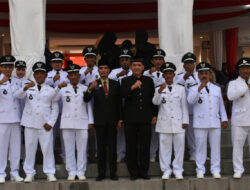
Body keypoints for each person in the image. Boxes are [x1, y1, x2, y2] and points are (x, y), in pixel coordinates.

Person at [15, 62, 59, 182]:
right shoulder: (28, 88)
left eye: (42, 73)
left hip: (45, 125)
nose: (39, 76)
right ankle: (29, 173)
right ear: (34, 75)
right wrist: (25, 87)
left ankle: (50, 172)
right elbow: (17, 96)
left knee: (48, 149)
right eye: (37, 73)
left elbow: (55, 108)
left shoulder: (50, 90)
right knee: (29, 149)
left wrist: (51, 123)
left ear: (45, 75)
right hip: (30, 123)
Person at [187, 62, 228, 179]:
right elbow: (190, 101)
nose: (204, 76)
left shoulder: (216, 88)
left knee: (215, 148)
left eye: (206, 73)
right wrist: (199, 88)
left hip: (214, 122)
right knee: (200, 147)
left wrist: (224, 119)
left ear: (210, 75)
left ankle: (216, 169)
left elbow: (220, 105)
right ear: (198, 75)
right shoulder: (194, 88)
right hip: (200, 123)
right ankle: (200, 169)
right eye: (201, 74)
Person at [84, 59, 122, 181]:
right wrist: (90, 89)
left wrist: (120, 119)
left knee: (112, 148)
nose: (103, 71)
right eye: (101, 68)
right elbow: (85, 99)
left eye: (105, 68)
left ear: (109, 70)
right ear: (98, 71)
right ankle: (101, 173)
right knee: (100, 149)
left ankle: (112, 173)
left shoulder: (115, 84)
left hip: (112, 121)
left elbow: (119, 103)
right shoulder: (94, 84)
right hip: (99, 121)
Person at [56, 64, 94, 181]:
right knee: (69, 148)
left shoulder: (85, 88)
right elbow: (52, 99)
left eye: (75, 74)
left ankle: (81, 171)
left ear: (78, 75)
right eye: (71, 75)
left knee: (82, 149)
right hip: (67, 122)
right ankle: (71, 171)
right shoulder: (63, 89)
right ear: (68, 76)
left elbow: (89, 106)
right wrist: (57, 87)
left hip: (82, 122)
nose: (73, 77)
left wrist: (91, 121)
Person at [121, 59, 157, 180]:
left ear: (143, 67)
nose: (136, 67)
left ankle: (144, 171)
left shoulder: (148, 80)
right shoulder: (125, 80)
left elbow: (152, 99)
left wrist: (154, 115)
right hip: (130, 118)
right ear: (131, 67)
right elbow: (122, 95)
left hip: (145, 118)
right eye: (134, 65)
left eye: (139, 65)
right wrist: (132, 87)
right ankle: (133, 172)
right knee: (131, 146)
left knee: (145, 146)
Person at [153, 62, 188, 180]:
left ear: (174, 75)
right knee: (164, 148)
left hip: (178, 122)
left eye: (170, 73)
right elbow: (155, 102)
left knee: (179, 148)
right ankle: (166, 170)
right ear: (163, 76)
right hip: (164, 122)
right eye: (166, 74)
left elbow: (184, 106)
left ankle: (178, 170)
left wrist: (185, 120)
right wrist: (159, 92)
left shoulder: (181, 89)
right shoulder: (159, 88)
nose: (168, 76)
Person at [0, 55, 23, 183]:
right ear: (1, 68)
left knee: (15, 147)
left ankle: (15, 172)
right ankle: (1, 173)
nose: (8, 69)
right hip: (2, 118)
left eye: (10, 67)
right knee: (1, 148)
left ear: (13, 68)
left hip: (15, 118)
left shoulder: (17, 81)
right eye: (5, 67)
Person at [227, 58, 250, 178]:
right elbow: (230, 96)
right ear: (239, 71)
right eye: (242, 68)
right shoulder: (233, 83)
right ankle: (238, 169)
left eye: (247, 68)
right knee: (237, 146)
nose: (245, 70)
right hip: (239, 120)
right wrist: (246, 88)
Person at [109, 49, 133, 163]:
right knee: (119, 131)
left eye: (127, 60)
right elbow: (107, 83)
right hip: (117, 103)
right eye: (122, 60)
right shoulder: (114, 72)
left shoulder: (135, 70)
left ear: (130, 61)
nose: (125, 62)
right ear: (119, 61)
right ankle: (120, 153)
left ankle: (131, 154)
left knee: (132, 130)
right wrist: (118, 75)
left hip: (132, 103)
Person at [45, 51, 69, 163]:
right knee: (50, 134)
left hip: (65, 107)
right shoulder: (47, 75)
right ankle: (50, 157)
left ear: (62, 63)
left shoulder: (67, 74)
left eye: (59, 62)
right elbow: (43, 86)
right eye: (55, 62)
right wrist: (52, 80)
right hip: (51, 109)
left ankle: (64, 156)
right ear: (51, 63)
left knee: (64, 133)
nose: (57, 64)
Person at [175, 52, 199, 161]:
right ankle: (192, 153)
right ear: (184, 65)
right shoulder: (179, 76)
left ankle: (200, 153)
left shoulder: (200, 75)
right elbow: (175, 87)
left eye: (191, 63)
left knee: (199, 134)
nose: (190, 66)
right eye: (187, 64)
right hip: (185, 110)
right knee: (189, 135)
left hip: (199, 110)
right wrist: (185, 77)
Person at [144, 49, 166, 162]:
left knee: (163, 132)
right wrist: (152, 74)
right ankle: (152, 154)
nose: (158, 61)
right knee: (152, 132)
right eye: (156, 59)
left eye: (160, 59)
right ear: (152, 61)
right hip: (150, 105)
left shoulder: (167, 73)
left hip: (164, 106)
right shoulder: (145, 73)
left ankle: (163, 155)